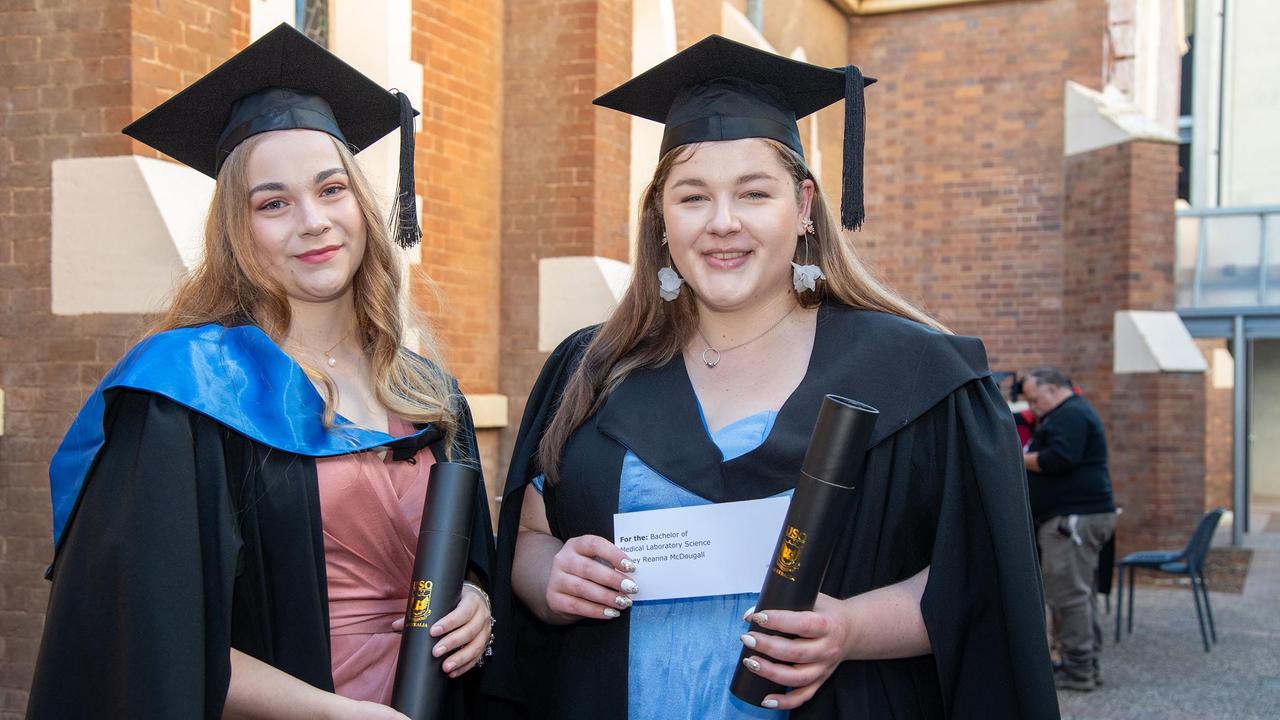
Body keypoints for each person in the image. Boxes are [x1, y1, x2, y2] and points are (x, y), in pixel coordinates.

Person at [483, 35, 1058, 720]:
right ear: (661, 219)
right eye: (693, 197)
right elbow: (528, 536)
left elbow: (984, 577)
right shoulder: (593, 370)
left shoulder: (917, 377)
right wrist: (549, 576)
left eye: (754, 193)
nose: (723, 224)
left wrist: (850, 630)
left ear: (804, 205)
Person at [27, 25, 493, 720]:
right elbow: (148, 640)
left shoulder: (424, 391)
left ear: (361, 206)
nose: (313, 222)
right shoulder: (184, 394)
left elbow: (468, 557)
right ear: (238, 233)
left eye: (330, 189)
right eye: (274, 203)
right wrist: (332, 713)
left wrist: (478, 602)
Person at [1021, 367, 1117, 692]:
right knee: (1079, 594)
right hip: (1079, 517)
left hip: (1072, 521)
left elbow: (1059, 459)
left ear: (1052, 389)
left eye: (1035, 400)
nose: (1033, 408)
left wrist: (1017, 458)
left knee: (1069, 597)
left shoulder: (1069, 415)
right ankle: (1087, 665)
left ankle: (1079, 672)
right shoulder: (1072, 412)